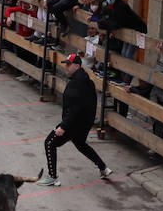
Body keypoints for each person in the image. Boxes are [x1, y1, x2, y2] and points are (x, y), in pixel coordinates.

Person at [38, 53, 114, 187]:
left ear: (77, 66)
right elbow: (91, 103)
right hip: (84, 123)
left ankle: (52, 177)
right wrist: (88, 122)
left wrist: (63, 126)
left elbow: (74, 108)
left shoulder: (76, 83)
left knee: (49, 143)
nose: (66, 67)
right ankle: (103, 168)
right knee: (81, 144)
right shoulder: (87, 81)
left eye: (68, 64)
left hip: (73, 123)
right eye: (65, 64)